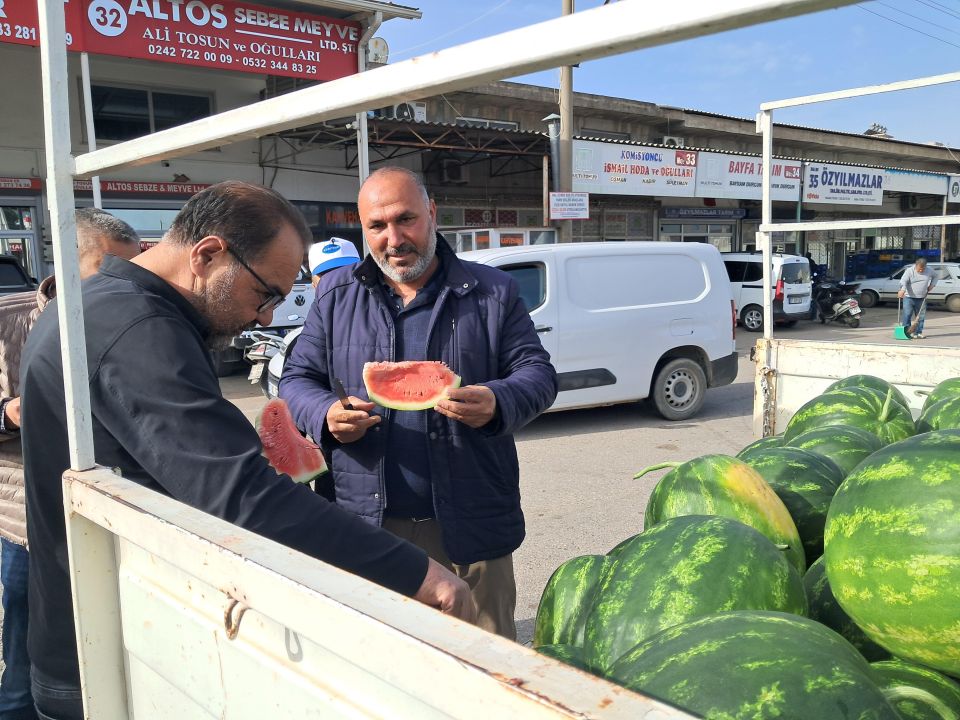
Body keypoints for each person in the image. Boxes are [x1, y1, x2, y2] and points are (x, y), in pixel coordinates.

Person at [20, 181, 475, 720]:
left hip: (93, 634)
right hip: (115, 661)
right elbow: (242, 497)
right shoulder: (138, 329)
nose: (264, 319)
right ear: (208, 255)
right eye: (266, 295)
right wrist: (419, 574)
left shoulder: (90, 301)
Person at [280, 167, 558, 640]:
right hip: (366, 523)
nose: (393, 239)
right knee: (382, 656)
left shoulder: (493, 292)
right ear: (363, 229)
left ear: (431, 212)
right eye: (377, 226)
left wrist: (498, 400)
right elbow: (297, 378)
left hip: (470, 526)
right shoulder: (336, 296)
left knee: (484, 660)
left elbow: (538, 374)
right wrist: (324, 414)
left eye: (405, 219)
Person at [0, 208, 140, 720]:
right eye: (108, 269)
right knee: (30, 654)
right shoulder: (10, 320)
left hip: (107, 513)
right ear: (65, 262)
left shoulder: (131, 322)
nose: (122, 283)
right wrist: (11, 414)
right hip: (28, 523)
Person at [898, 257, 936, 339]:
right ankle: (907, 333)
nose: (921, 270)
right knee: (907, 315)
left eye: (923, 269)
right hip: (908, 297)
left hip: (922, 298)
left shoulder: (929, 270)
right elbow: (903, 281)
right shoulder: (909, 271)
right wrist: (902, 290)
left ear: (925, 266)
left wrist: (932, 285)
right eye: (919, 269)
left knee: (920, 316)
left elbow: (936, 276)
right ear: (916, 265)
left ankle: (918, 332)